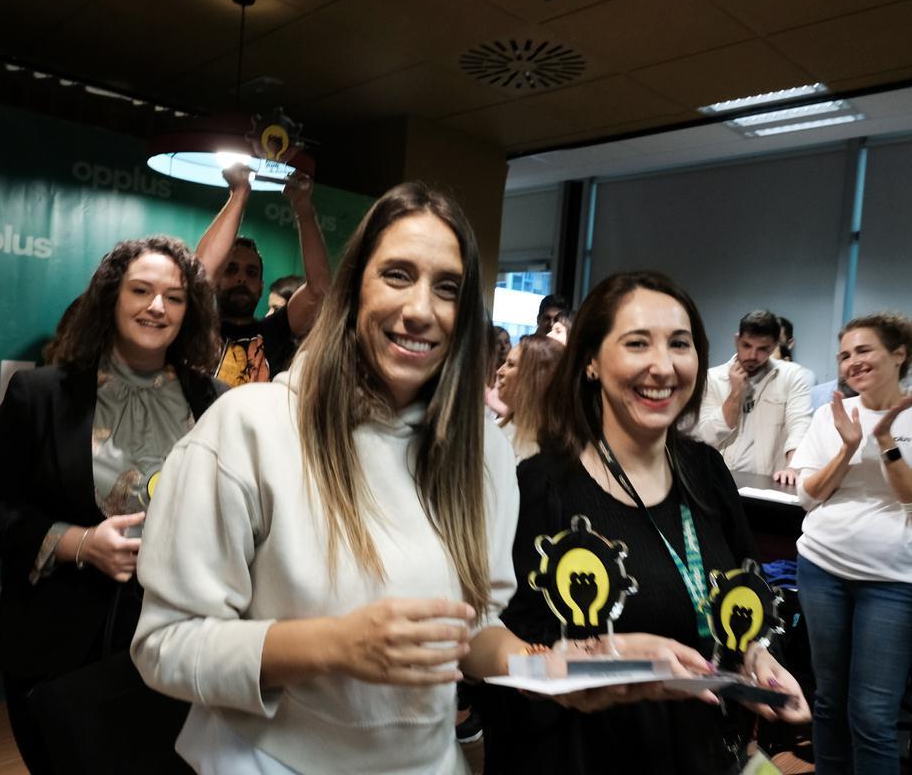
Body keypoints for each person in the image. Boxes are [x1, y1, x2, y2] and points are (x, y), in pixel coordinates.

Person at [130, 186, 709, 774]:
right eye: (398, 275)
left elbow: (473, 632)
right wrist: (334, 646)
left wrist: (572, 665)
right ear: (354, 287)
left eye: (448, 288)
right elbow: (166, 645)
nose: (421, 310)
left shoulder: (481, 450)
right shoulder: (249, 429)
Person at [481, 271, 808, 775]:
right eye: (637, 343)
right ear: (590, 361)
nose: (663, 366)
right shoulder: (540, 487)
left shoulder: (706, 474)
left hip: (702, 752)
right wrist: (604, 655)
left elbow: (748, 590)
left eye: (680, 343)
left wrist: (758, 655)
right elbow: (505, 646)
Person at [0, 236, 223, 774]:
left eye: (173, 297)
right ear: (111, 298)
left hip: (176, 643)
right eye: (141, 291)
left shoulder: (214, 400)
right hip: (60, 650)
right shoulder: (40, 395)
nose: (156, 307)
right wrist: (79, 543)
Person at [791, 312, 912, 775]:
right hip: (822, 568)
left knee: (871, 716)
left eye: (863, 350)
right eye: (844, 355)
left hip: (895, 581)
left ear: (899, 353)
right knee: (828, 702)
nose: (852, 362)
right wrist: (847, 447)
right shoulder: (832, 414)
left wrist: (885, 440)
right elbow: (808, 497)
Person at [197, 165, 330, 385]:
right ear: (217, 278)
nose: (241, 279)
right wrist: (239, 193)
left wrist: (304, 209)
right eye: (231, 269)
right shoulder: (195, 329)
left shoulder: (275, 330)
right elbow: (200, 273)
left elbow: (319, 289)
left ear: (260, 286)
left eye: (251, 273)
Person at [695, 310, 812, 485]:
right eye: (747, 345)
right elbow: (705, 437)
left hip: (769, 484)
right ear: (737, 340)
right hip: (718, 483)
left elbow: (800, 426)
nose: (752, 355)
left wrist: (793, 468)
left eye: (762, 349)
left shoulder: (793, 376)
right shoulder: (712, 378)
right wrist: (735, 394)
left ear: (773, 347)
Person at [495, 334, 564, 460]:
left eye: (510, 364)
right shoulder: (494, 429)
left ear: (535, 378)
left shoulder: (553, 450)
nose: (499, 371)